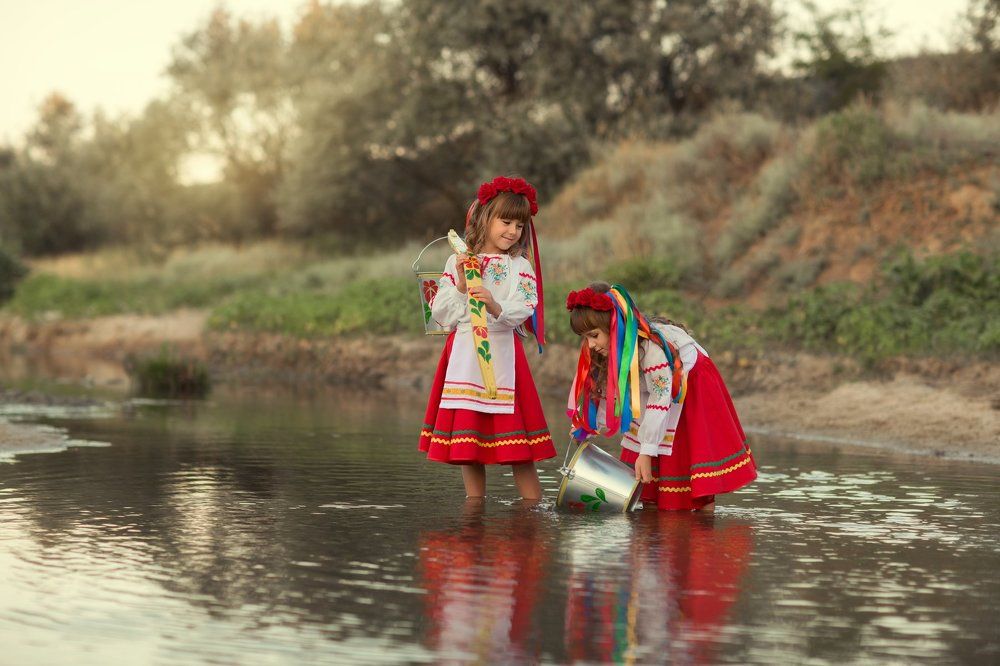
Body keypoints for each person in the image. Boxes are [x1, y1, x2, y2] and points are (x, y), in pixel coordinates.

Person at [418, 176, 555, 499]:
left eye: (519, 226)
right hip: (464, 356)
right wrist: (464, 286)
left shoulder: (519, 266)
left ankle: (532, 511)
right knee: (469, 449)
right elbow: (440, 311)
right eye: (506, 221)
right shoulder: (457, 262)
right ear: (484, 219)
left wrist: (495, 305)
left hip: (504, 353)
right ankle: (474, 513)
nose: (513, 231)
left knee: (519, 449)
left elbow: (525, 306)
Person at [565, 282, 756, 510]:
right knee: (644, 481)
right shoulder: (605, 349)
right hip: (658, 392)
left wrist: (646, 452)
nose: (590, 344)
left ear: (614, 326)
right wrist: (588, 425)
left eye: (593, 335)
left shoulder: (650, 349)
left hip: (690, 384)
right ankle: (657, 526)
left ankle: (702, 524)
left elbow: (660, 399)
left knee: (683, 464)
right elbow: (610, 393)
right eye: (585, 337)